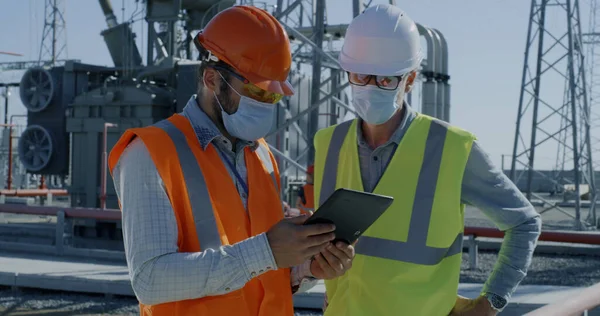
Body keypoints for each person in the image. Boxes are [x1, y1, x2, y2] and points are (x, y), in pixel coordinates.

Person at [108, 6, 355, 316]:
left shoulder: (262, 155)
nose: (265, 105)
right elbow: (149, 280)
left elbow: (262, 273)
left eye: (272, 96)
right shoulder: (150, 153)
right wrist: (267, 251)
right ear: (212, 78)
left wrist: (305, 267)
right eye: (255, 91)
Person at [312, 4, 542, 316]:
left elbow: (525, 222)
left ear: (410, 80)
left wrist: (491, 303)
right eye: (361, 75)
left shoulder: (452, 148)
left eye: (386, 80)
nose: (370, 87)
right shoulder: (329, 144)